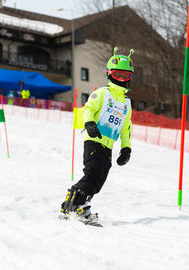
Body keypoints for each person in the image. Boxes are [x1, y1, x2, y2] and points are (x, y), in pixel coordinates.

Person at [60, 47, 134, 224]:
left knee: (100, 179)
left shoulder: (126, 103)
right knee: (93, 173)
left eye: (126, 76)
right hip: (94, 141)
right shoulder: (102, 93)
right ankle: (77, 203)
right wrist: (89, 123)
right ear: (109, 74)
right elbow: (88, 109)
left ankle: (78, 200)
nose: (122, 79)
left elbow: (126, 127)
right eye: (118, 75)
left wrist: (126, 148)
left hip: (108, 145)